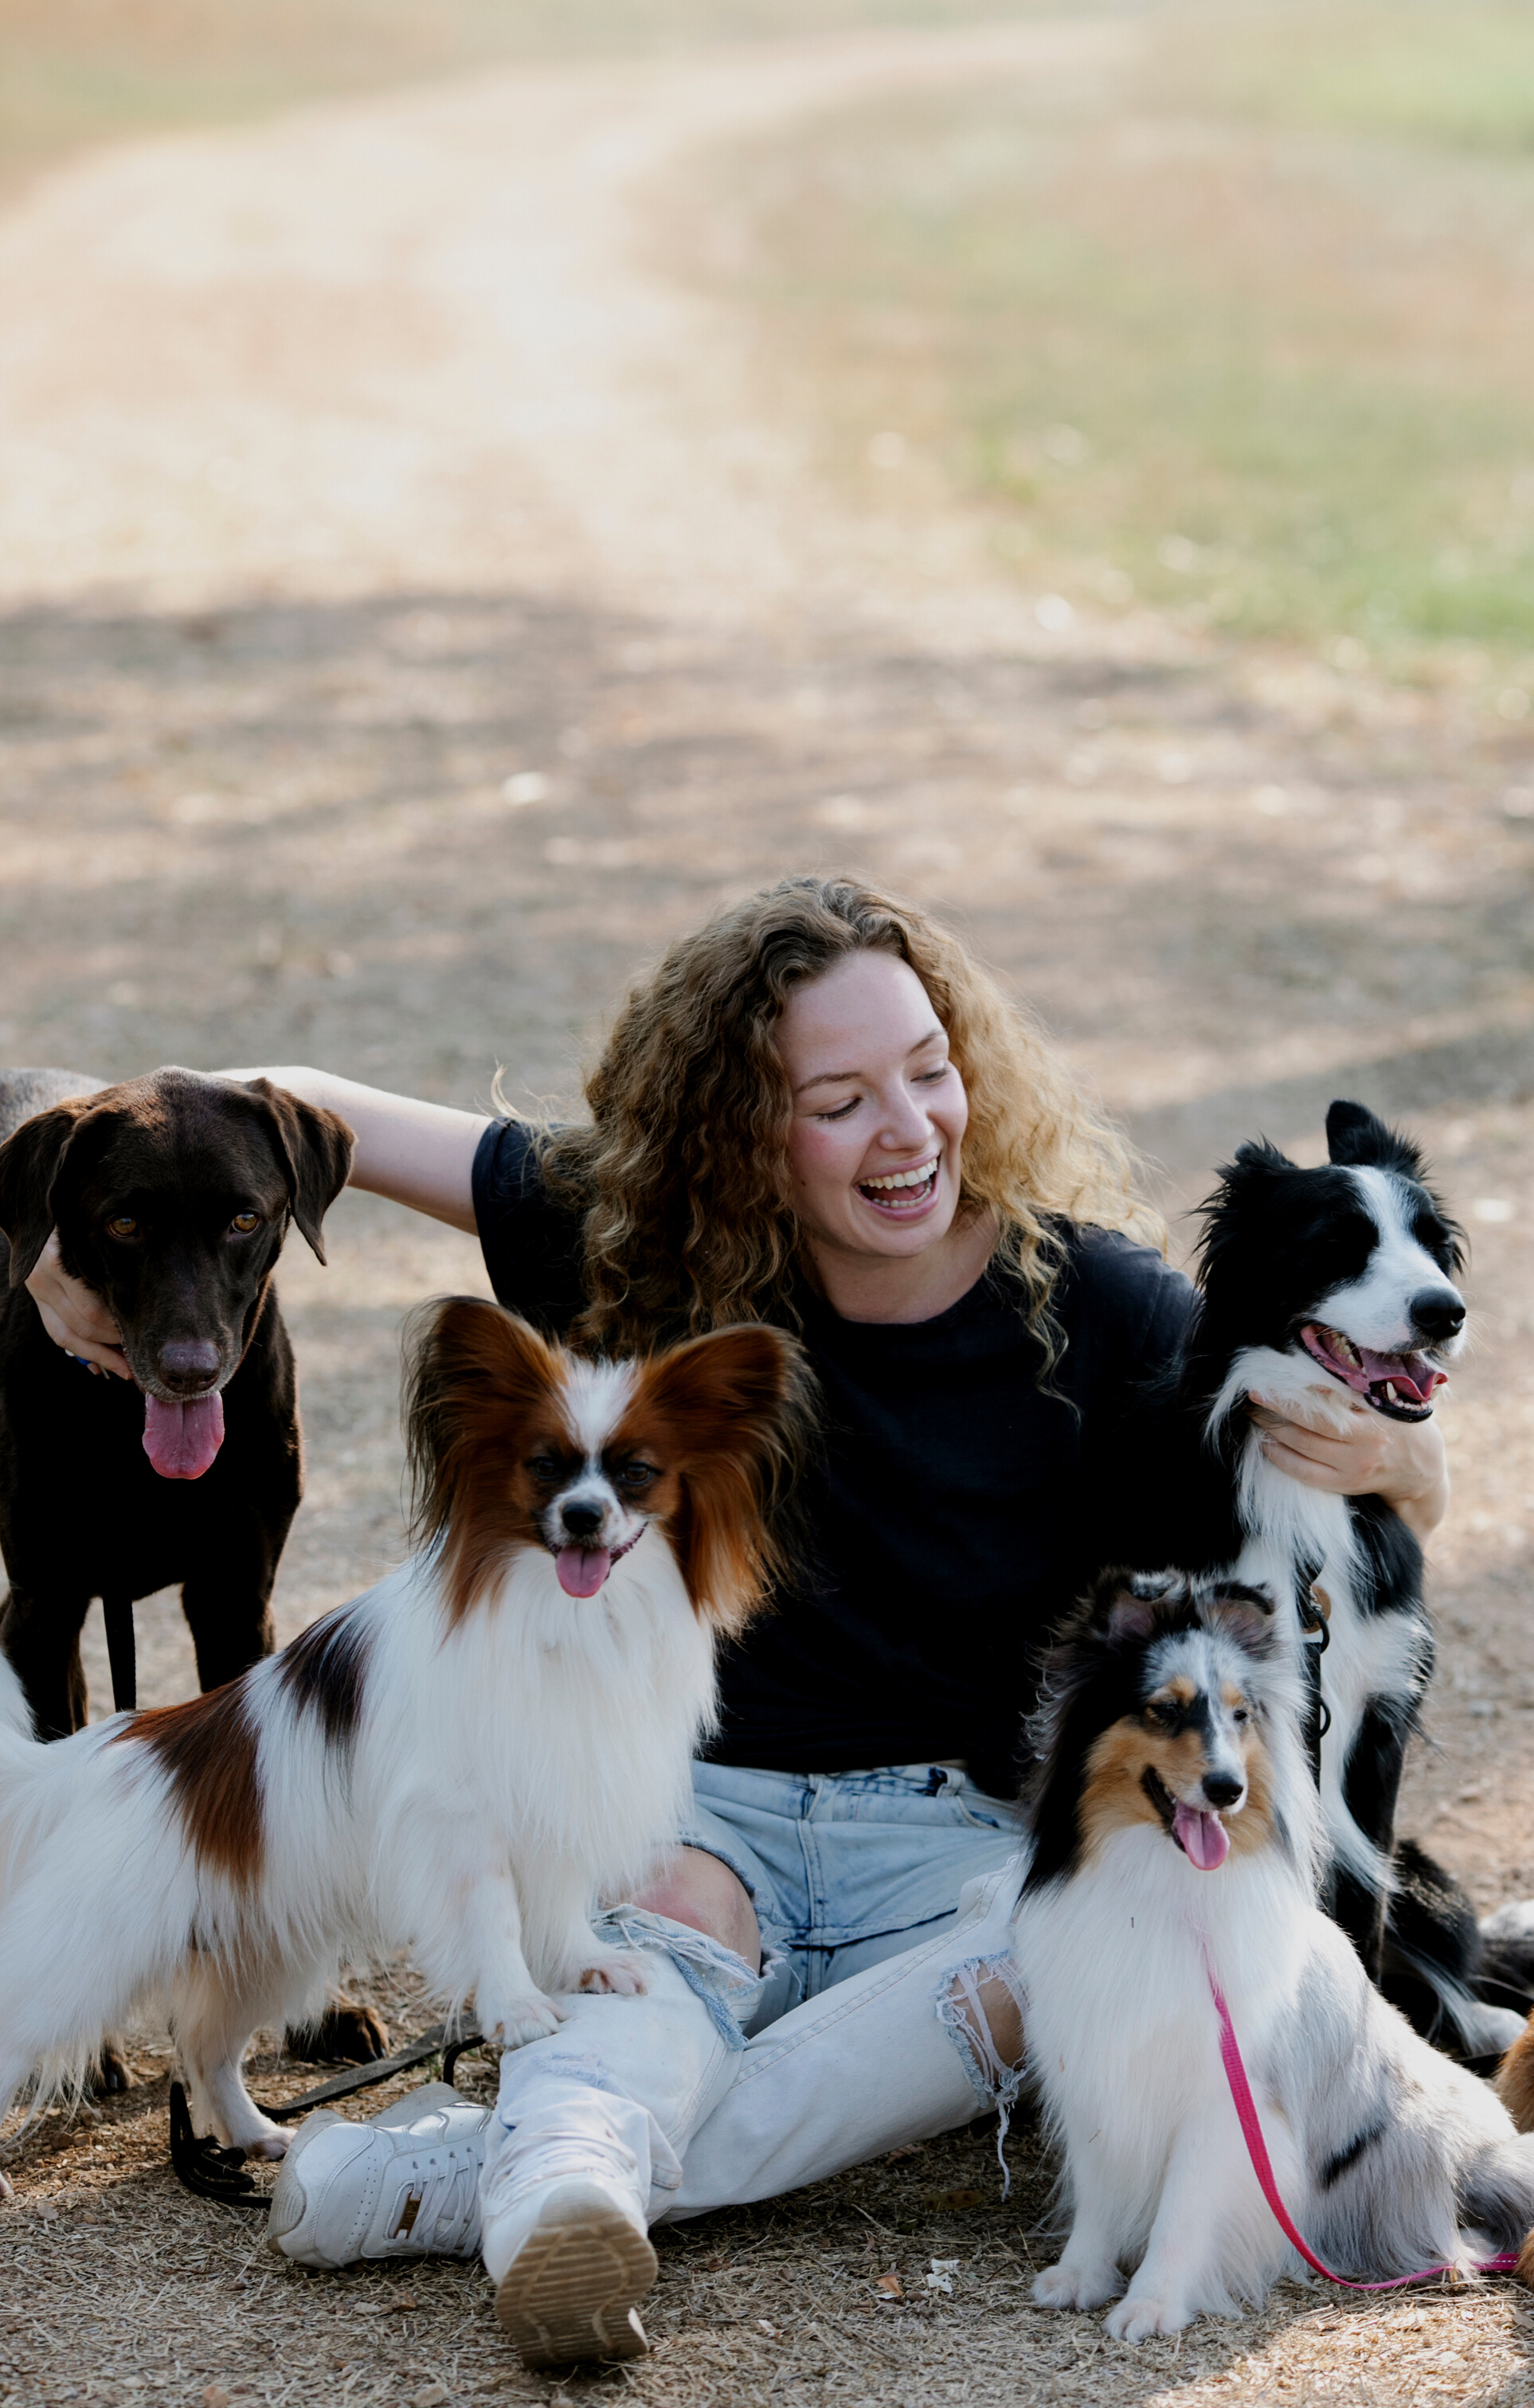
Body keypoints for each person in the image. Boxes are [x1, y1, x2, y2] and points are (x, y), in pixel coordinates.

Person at [27, 877, 1449, 2368]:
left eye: (928, 1068)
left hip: (950, 1839)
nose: (908, 1129)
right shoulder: (641, 1250)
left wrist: (1411, 1457)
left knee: (1068, 1965)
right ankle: (562, 2194)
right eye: (837, 1099)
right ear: (744, 1136)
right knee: (651, 1955)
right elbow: (294, 1101)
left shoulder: (1093, 1304)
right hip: (711, 1817)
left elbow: (1339, 1473)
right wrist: (68, 1250)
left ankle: (475, 2183)